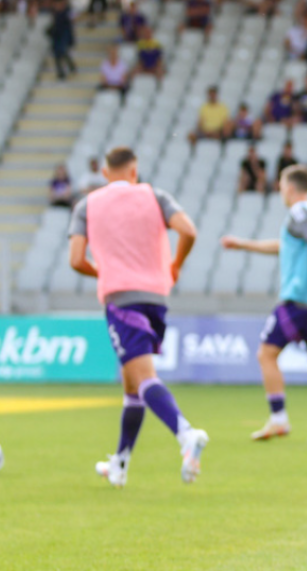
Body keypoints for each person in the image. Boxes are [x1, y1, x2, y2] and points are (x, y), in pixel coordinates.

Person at [68, 146, 209, 488]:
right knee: (132, 383)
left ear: (105, 173)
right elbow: (188, 231)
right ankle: (119, 463)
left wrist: (103, 272)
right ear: (134, 171)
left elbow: (76, 260)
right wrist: (175, 265)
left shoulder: (88, 204)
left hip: (122, 300)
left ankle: (186, 434)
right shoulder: (155, 196)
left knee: (143, 377)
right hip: (156, 299)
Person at [220, 165, 307, 442]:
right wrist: (243, 245)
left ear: (291, 188)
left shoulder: (298, 213)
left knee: (266, 354)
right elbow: (285, 246)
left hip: (297, 299)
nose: (280, 191)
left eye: (282, 186)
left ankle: (278, 419)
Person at [48, 0, 76, 80]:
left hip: (63, 38)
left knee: (63, 53)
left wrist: (69, 40)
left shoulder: (66, 14)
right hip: (57, 38)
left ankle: (70, 67)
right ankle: (61, 72)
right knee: (58, 55)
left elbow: (68, 28)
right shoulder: (56, 14)